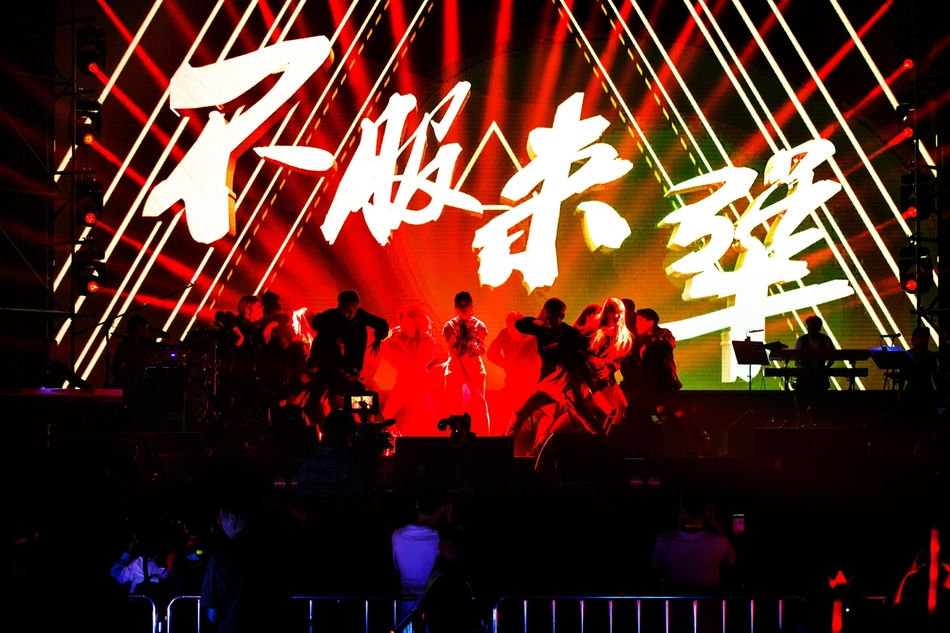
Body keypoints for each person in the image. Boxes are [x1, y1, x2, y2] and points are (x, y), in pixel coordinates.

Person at [505, 298, 600, 456]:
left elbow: (583, 348)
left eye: (552, 316)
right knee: (519, 413)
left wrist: (591, 386)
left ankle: (604, 447)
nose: (548, 319)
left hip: (565, 387)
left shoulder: (569, 333)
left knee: (585, 417)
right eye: (546, 314)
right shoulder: (541, 329)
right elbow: (520, 325)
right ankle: (505, 449)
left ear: (561, 316)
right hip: (545, 386)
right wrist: (537, 320)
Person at [200, 494, 293, 633]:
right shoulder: (280, 550)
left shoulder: (223, 556)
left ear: (232, 517)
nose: (219, 522)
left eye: (221, 517)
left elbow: (213, 614)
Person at [306, 290, 389, 425]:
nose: (348, 314)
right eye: (344, 310)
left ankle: (366, 426)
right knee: (314, 400)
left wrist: (378, 338)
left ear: (356, 307)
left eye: (351, 310)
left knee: (361, 400)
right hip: (329, 369)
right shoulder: (330, 317)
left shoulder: (361, 316)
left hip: (351, 369)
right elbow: (316, 325)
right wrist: (330, 336)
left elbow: (382, 324)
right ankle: (320, 428)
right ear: (339, 306)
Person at [651, 484, 736, 592]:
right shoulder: (720, 540)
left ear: (681, 508)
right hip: (709, 601)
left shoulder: (664, 539)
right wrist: (717, 526)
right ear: (707, 511)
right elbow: (731, 561)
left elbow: (655, 566)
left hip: (675, 601)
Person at [392, 481, 451, 629]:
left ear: (417, 505)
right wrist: (450, 520)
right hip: (438, 611)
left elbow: (397, 567)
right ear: (442, 509)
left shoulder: (397, 536)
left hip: (407, 612)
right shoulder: (441, 540)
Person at [382, 303, 442, 435]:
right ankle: (393, 438)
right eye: (403, 324)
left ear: (417, 323)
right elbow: (387, 354)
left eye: (409, 324)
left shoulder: (426, 340)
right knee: (387, 415)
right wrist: (392, 342)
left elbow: (420, 363)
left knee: (431, 418)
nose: (405, 328)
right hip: (405, 381)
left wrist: (402, 349)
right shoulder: (394, 337)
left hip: (420, 381)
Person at [578, 297, 633, 434]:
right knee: (604, 412)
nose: (619, 316)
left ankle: (609, 439)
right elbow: (580, 354)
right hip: (589, 381)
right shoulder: (594, 331)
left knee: (621, 409)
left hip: (606, 379)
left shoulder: (623, 335)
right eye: (616, 312)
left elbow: (622, 358)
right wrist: (596, 361)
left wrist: (610, 367)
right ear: (607, 312)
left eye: (621, 313)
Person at [442, 291, 490, 435]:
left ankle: (484, 437)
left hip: (474, 368)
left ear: (472, 305)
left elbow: (482, 349)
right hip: (455, 367)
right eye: (460, 305)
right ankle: (453, 437)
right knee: (453, 405)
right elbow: (451, 345)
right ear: (455, 307)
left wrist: (474, 346)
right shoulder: (449, 325)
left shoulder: (480, 325)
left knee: (480, 404)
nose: (463, 308)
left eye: (466, 304)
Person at [486, 310, 541, 429]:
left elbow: (542, 355)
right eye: (512, 326)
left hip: (530, 378)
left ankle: (528, 429)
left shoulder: (532, 336)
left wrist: (529, 363)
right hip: (513, 378)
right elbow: (491, 353)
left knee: (529, 406)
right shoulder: (504, 334)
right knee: (511, 407)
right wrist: (505, 364)